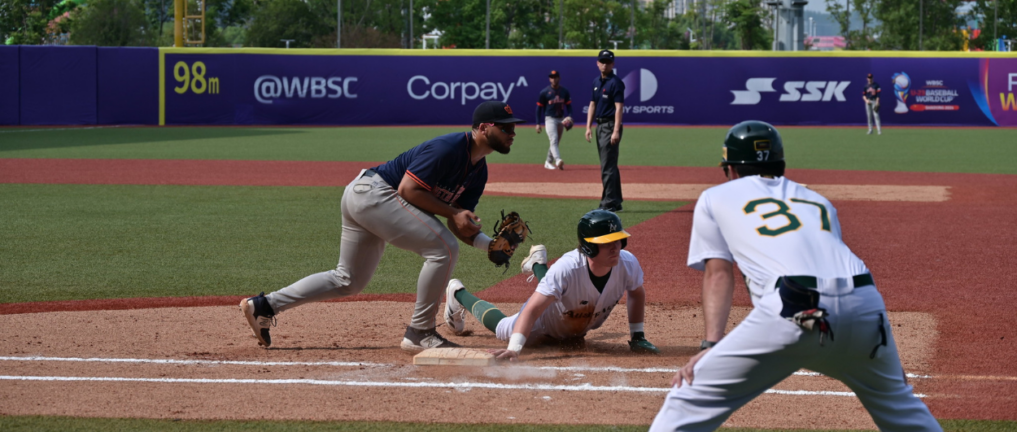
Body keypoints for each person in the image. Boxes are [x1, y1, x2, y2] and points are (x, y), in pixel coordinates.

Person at [649, 121, 940, 431]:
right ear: (780, 163)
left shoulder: (714, 197)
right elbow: (831, 263)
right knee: (901, 411)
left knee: (687, 399)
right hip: (866, 303)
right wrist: (887, 365)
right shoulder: (817, 201)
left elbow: (718, 274)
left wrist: (710, 347)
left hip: (796, 306)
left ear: (730, 169)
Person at [240, 100, 526, 353]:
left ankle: (266, 305)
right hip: (375, 193)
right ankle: (420, 332)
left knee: (348, 280)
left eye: (513, 128)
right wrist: (454, 212)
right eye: (506, 127)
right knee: (444, 249)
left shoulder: (478, 172)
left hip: (367, 198)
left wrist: (488, 244)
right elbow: (408, 189)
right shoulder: (449, 148)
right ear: (484, 128)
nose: (513, 133)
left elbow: (459, 222)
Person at [443, 210, 659, 360]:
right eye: (607, 242)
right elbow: (532, 309)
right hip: (541, 325)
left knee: (558, 288)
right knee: (502, 328)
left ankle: (537, 264)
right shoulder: (568, 268)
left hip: (569, 324)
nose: (616, 247)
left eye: (618, 240)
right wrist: (514, 349)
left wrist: (638, 336)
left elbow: (636, 292)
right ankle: (458, 293)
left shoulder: (628, 263)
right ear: (589, 247)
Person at [584, 49, 625, 213]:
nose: (605, 64)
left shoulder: (616, 82)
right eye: (602, 61)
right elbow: (592, 104)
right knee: (610, 165)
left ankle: (608, 202)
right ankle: (616, 201)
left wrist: (616, 131)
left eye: (608, 62)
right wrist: (588, 126)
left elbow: (619, 107)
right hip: (600, 126)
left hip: (610, 126)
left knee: (607, 166)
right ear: (597, 63)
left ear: (613, 64)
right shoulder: (596, 82)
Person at [535, 69, 573, 171]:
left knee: (555, 142)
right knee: (554, 139)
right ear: (549, 79)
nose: (553, 79)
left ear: (559, 78)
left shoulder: (564, 91)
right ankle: (558, 160)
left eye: (555, 77)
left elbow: (569, 106)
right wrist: (538, 123)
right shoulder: (544, 92)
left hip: (561, 119)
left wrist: (570, 116)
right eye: (551, 77)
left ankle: (548, 162)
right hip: (550, 119)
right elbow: (539, 108)